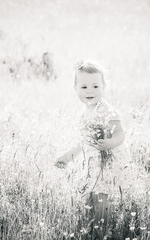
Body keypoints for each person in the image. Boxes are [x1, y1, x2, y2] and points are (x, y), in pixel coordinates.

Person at [54, 60, 131, 238]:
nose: (90, 91)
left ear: (104, 86)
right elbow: (84, 142)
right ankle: (96, 230)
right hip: (93, 165)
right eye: (84, 87)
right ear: (75, 88)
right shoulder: (82, 114)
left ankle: (102, 232)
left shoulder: (107, 111)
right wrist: (67, 157)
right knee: (92, 199)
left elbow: (120, 133)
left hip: (109, 164)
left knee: (103, 198)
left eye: (96, 86)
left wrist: (110, 144)